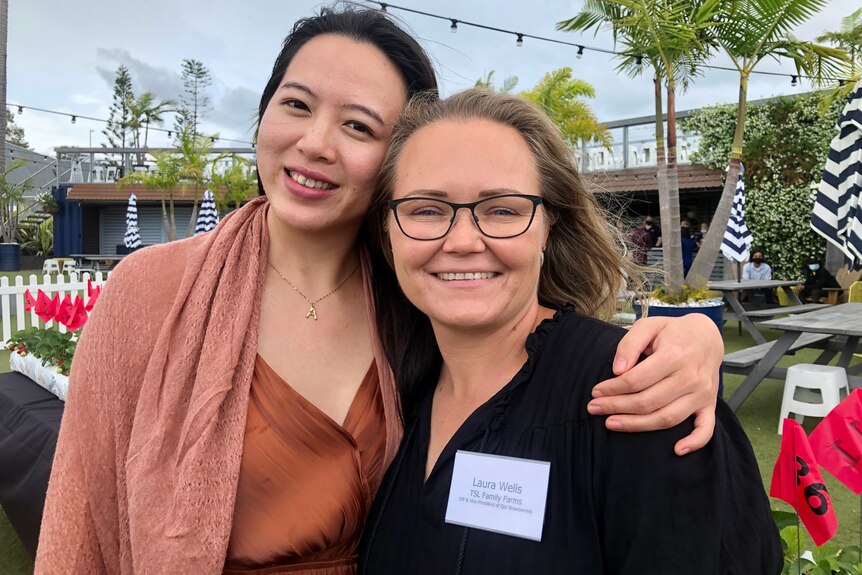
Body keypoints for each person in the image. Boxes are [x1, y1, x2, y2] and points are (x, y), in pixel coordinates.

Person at [35, 8, 725, 574]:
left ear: (399, 160)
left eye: (358, 126)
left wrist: (696, 339)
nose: (315, 142)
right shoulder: (153, 290)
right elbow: (80, 521)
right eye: (295, 105)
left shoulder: (416, 299)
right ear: (263, 118)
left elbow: (532, 347)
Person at [360, 89, 780, 574]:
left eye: (502, 210)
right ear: (388, 231)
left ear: (548, 227)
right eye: (426, 210)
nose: (462, 241)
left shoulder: (640, 397)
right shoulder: (393, 391)